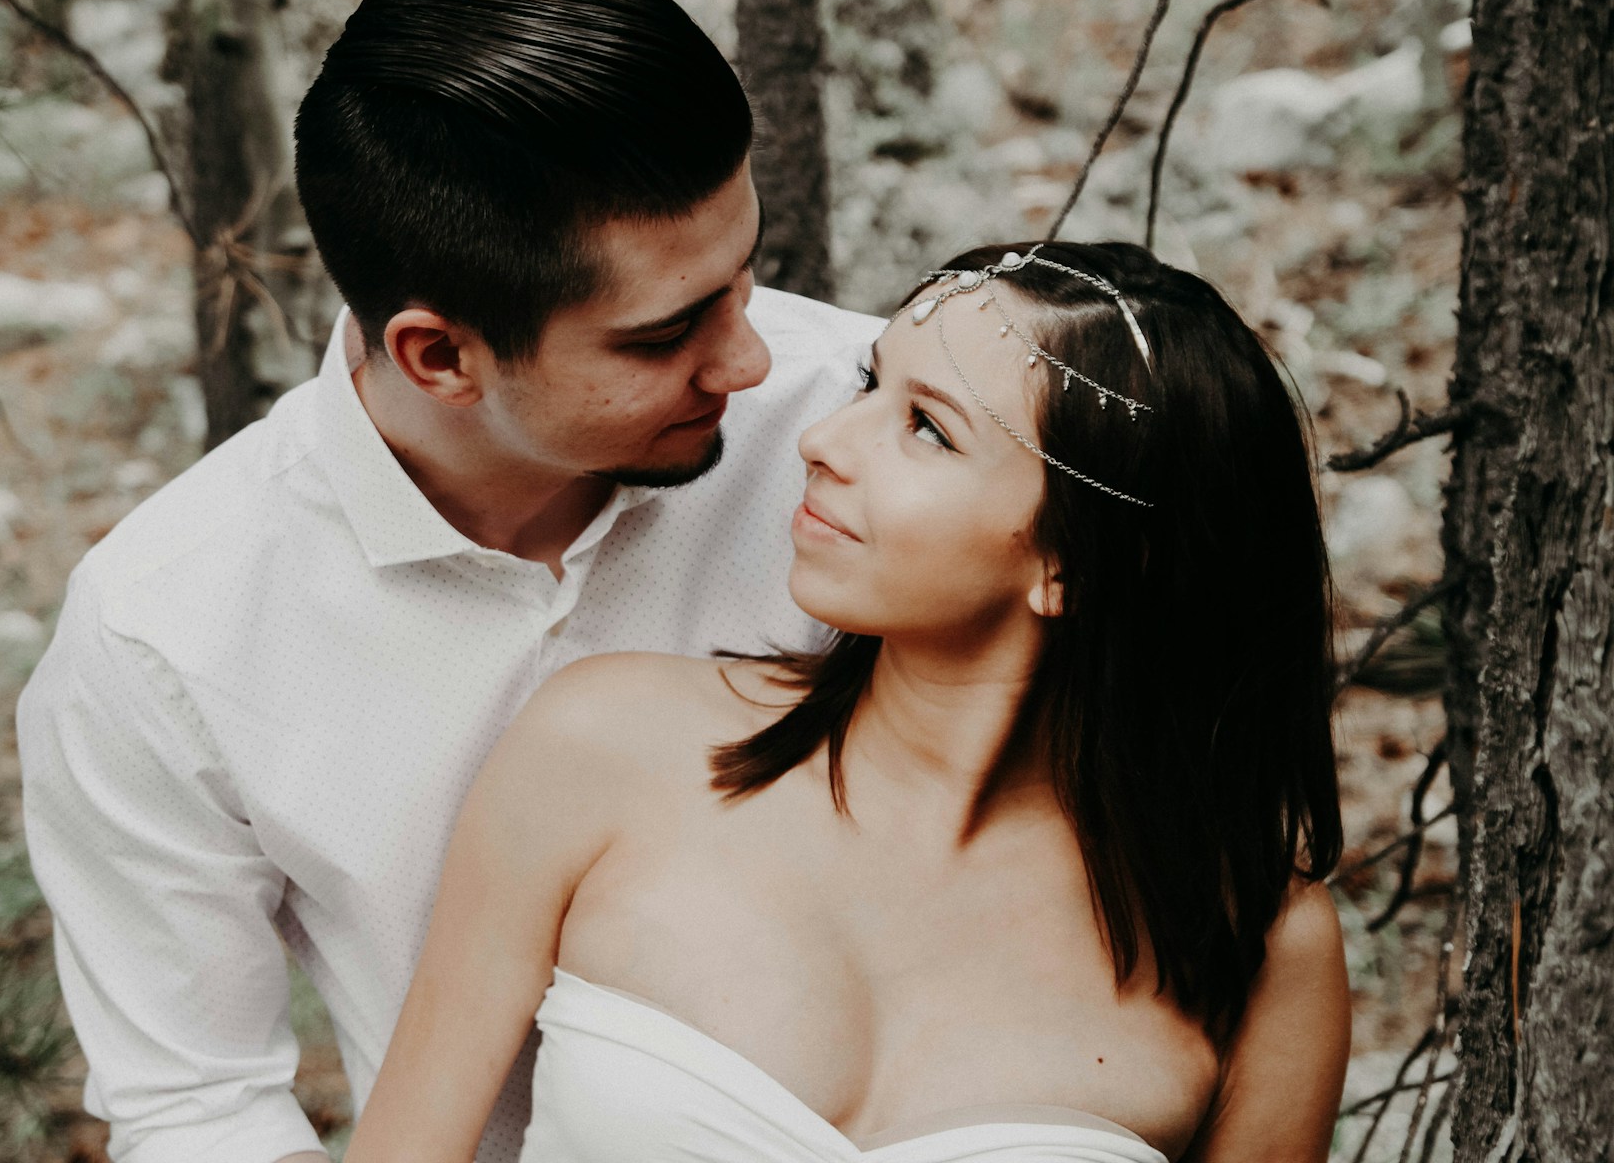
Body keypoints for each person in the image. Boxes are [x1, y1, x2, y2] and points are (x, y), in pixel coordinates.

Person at [16, 0, 881, 1163]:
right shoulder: (164, 633)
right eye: (665, 333)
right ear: (440, 355)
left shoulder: (869, 422)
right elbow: (198, 1101)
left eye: (748, 278)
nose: (750, 361)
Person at [345, 241, 1351, 1163]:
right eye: (873, 381)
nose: (824, 437)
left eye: (927, 428)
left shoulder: (1258, 934)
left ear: (1073, 565)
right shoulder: (603, 743)